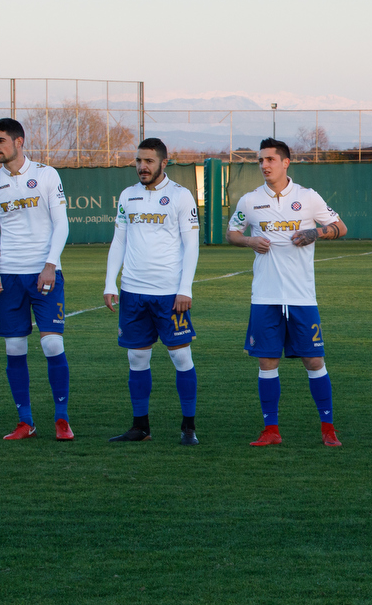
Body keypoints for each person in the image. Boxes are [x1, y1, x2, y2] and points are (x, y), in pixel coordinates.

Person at [227, 138, 348, 447]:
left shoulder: (308, 198)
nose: (265, 165)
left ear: (285, 162)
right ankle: (271, 430)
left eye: (270, 159)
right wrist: (250, 242)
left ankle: (328, 429)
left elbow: (340, 227)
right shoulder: (250, 200)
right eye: (261, 161)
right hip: (264, 297)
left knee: (314, 361)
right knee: (267, 362)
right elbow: (232, 233)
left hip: (302, 297)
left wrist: (314, 233)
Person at [104, 138, 201, 444]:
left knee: (182, 358)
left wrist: (185, 288)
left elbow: (191, 245)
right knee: (136, 358)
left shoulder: (180, 196)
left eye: (148, 161)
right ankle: (140, 427)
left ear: (163, 163)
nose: (142, 167)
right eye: (138, 161)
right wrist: (111, 282)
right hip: (133, 292)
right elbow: (119, 241)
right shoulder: (127, 196)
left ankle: (188, 427)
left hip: (169, 294)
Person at [0, 118, 73, 441]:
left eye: (0, 141)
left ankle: (61, 419)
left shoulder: (47, 175)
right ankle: (25, 421)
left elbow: (61, 224)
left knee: (52, 343)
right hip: (9, 276)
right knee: (14, 347)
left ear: (19, 142)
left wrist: (50, 264)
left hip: (44, 272)